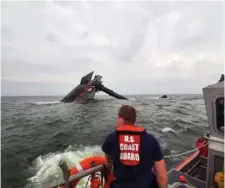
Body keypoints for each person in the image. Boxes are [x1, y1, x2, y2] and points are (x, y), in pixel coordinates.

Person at [102, 105, 168, 188]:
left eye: (117, 119)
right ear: (134, 120)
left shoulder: (110, 138)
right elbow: (162, 177)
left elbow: (108, 160)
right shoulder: (151, 140)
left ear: (121, 120)